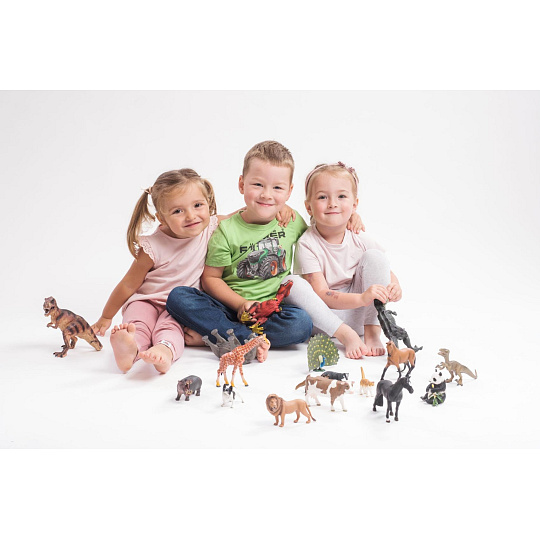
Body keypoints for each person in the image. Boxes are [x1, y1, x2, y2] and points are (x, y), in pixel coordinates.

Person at [166, 141, 366, 359]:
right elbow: (210, 279)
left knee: (302, 324)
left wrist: (350, 217)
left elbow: (321, 233)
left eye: (277, 188)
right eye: (258, 185)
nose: (267, 195)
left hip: (272, 310)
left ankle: (221, 336)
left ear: (289, 192)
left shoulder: (291, 222)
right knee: (178, 297)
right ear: (241, 184)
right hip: (229, 306)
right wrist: (240, 304)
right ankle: (242, 337)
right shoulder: (226, 230)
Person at [92, 169, 235, 374]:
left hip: (180, 306)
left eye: (197, 205)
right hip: (146, 300)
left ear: (208, 202)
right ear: (162, 218)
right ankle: (131, 348)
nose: (191, 216)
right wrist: (106, 317)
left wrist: (279, 210)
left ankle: (164, 351)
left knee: (171, 329)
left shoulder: (211, 226)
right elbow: (129, 284)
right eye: (178, 211)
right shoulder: (153, 246)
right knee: (137, 323)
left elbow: (245, 215)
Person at [294, 162, 402, 357]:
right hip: (327, 320)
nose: (332, 203)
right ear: (308, 207)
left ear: (354, 205)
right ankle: (346, 335)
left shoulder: (358, 237)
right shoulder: (307, 244)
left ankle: (372, 332)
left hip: (362, 314)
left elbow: (384, 270)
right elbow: (321, 293)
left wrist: (394, 286)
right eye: (322, 197)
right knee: (291, 284)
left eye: (341, 196)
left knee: (375, 256)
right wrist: (361, 298)